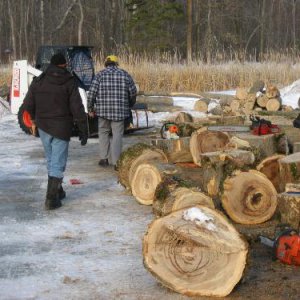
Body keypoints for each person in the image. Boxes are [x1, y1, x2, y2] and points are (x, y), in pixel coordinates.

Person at [23, 53, 88, 210]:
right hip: (61, 126)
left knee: (52, 159)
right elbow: (77, 107)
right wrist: (83, 128)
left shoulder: (39, 81)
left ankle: (58, 189)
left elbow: (28, 105)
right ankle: (51, 199)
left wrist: (30, 121)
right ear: (64, 65)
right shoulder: (69, 81)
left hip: (43, 126)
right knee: (58, 161)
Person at [87, 55, 137, 169]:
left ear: (106, 63)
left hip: (103, 111)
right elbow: (133, 92)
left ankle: (104, 158)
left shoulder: (99, 75)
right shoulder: (125, 74)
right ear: (116, 64)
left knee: (103, 133)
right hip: (119, 112)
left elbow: (91, 94)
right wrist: (129, 104)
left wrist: (90, 108)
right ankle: (116, 162)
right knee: (117, 135)